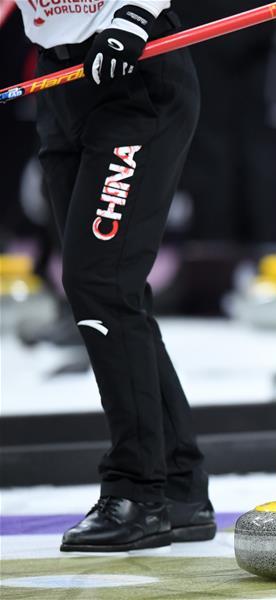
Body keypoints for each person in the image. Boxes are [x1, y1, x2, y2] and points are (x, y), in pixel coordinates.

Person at [15, 0, 215, 551]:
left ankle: (138, 493)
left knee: (100, 285)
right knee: (109, 290)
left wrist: (133, 16)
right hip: (60, 81)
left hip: (133, 67)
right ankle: (179, 487)